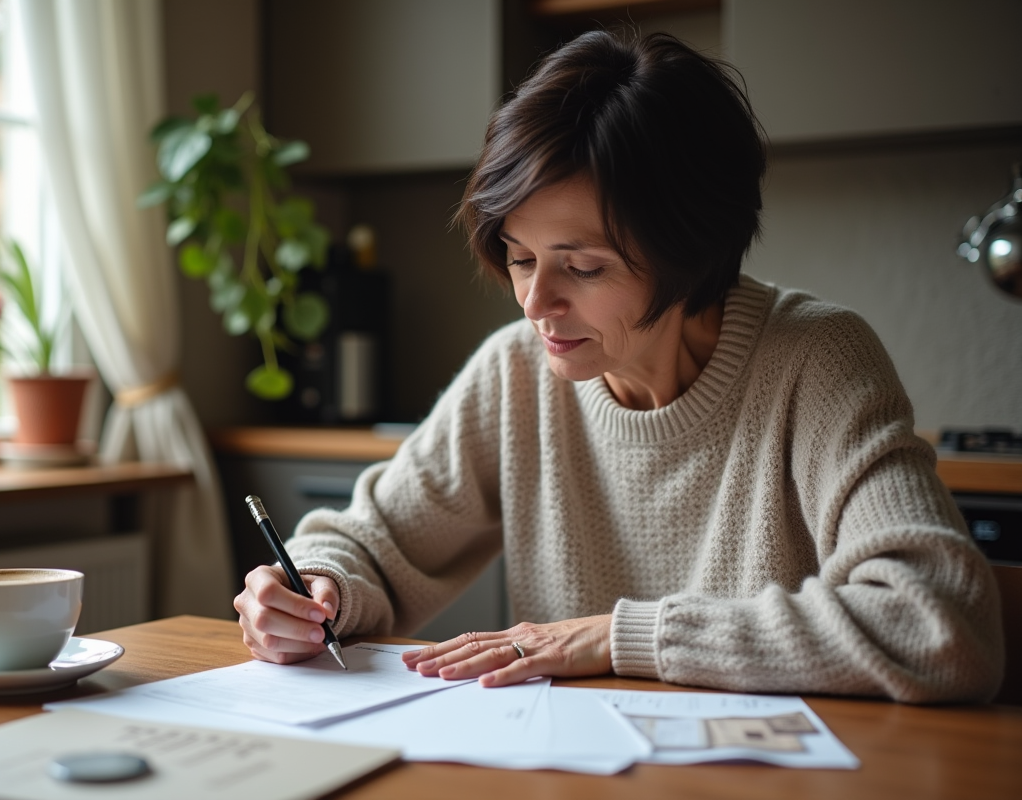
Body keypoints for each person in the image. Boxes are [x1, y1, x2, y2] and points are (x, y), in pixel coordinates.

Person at [233, 30, 1004, 703]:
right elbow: (372, 539)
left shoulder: (816, 359)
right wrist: (312, 587)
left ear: (691, 252)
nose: (536, 303)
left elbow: (939, 619)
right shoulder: (517, 373)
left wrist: (620, 638)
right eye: (521, 257)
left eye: (584, 268)